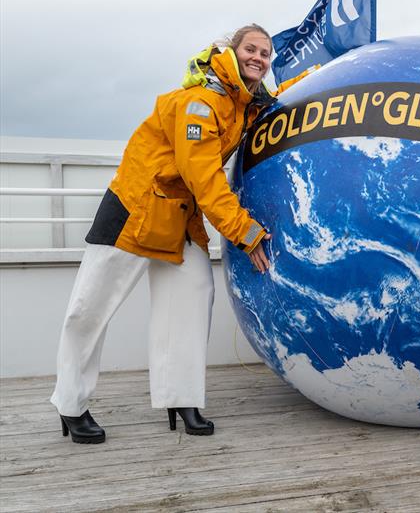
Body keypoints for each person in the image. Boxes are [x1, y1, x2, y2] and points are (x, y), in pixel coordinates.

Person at [51, 24, 279, 443]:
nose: (259, 58)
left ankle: (182, 398)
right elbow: (204, 178)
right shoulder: (199, 103)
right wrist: (245, 233)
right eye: (251, 49)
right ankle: (71, 403)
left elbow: (280, 95)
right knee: (88, 310)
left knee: (192, 298)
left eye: (266, 53)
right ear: (231, 52)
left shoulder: (241, 104)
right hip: (134, 211)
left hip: (180, 218)